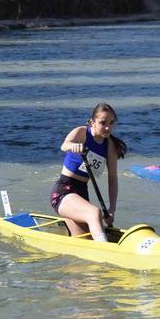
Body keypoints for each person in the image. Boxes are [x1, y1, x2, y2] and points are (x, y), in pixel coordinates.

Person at [51, 103, 127, 242]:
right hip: (64, 192)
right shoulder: (82, 132)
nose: (108, 127)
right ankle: (105, 252)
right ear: (92, 122)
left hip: (82, 194)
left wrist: (112, 210)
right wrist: (74, 146)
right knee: (95, 213)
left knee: (85, 240)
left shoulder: (110, 145)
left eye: (111, 123)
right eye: (103, 123)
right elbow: (64, 145)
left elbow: (112, 179)